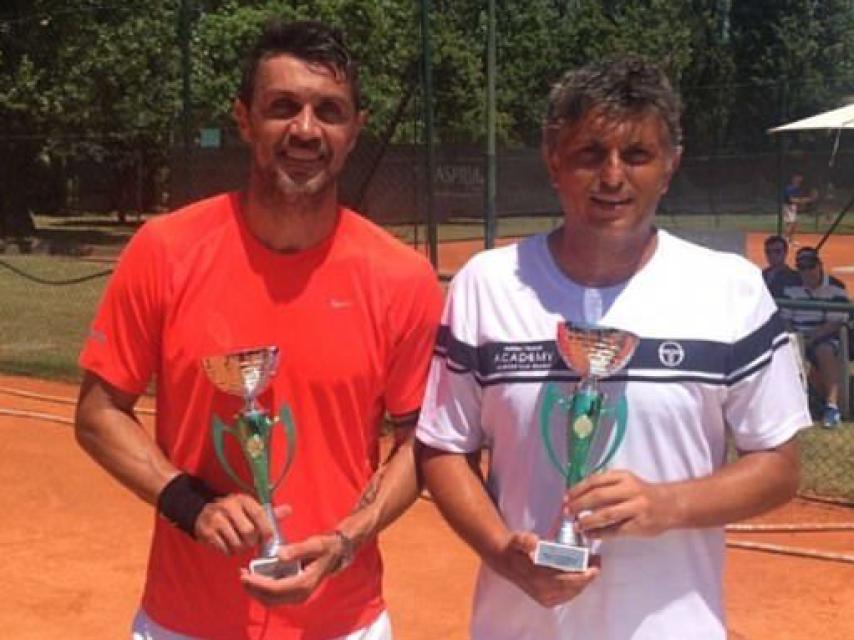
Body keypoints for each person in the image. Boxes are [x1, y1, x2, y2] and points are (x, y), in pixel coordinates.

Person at [416, 56, 809, 640]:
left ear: (670, 166)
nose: (612, 176)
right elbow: (444, 449)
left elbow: (779, 465)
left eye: (637, 154)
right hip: (517, 626)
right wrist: (503, 553)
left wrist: (664, 506)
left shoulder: (729, 287)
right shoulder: (488, 283)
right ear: (555, 161)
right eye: (590, 154)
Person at [74, 20, 443, 640]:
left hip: (342, 621)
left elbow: (422, 441)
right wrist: (188, 505)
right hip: (185, 620)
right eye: (282, 107)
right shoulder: (165, 250)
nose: (305, 129)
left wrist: (347, 540)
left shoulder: (402, 278)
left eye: (329, 110)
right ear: (244, 119)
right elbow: (97, 411)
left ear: (355, 127)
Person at [781, 246, 850, 428]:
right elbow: (786, 319)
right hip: (797, 335)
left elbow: (835, 322)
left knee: (824, 351)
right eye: (802, 268)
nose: (807, 272)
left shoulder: (836, 288)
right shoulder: (790, 289)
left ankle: (832, 407)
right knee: (784, 351)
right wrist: (795, 337)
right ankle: (790, 407)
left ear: (820, 265)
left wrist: (810, 338)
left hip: (824, 336)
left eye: (811, 266)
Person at [781, 172, 817, 245]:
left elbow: (798, 199)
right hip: (788, 206)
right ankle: (785, 240)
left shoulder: (797, 188)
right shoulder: (790, 188)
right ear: (794, 179)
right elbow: (791, 199)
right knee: (790, 224)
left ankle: (790, 240)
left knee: (794, 224)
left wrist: (806, 200)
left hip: (792, 207)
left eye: (800, 178)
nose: (800, 179)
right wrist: (805, 200)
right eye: (798, 177)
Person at [762, 234, 800, 299]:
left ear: (785, 252)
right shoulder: (761, 275)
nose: (772, 255)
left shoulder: (795, 278)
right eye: (768, 252)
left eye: (777, 251)